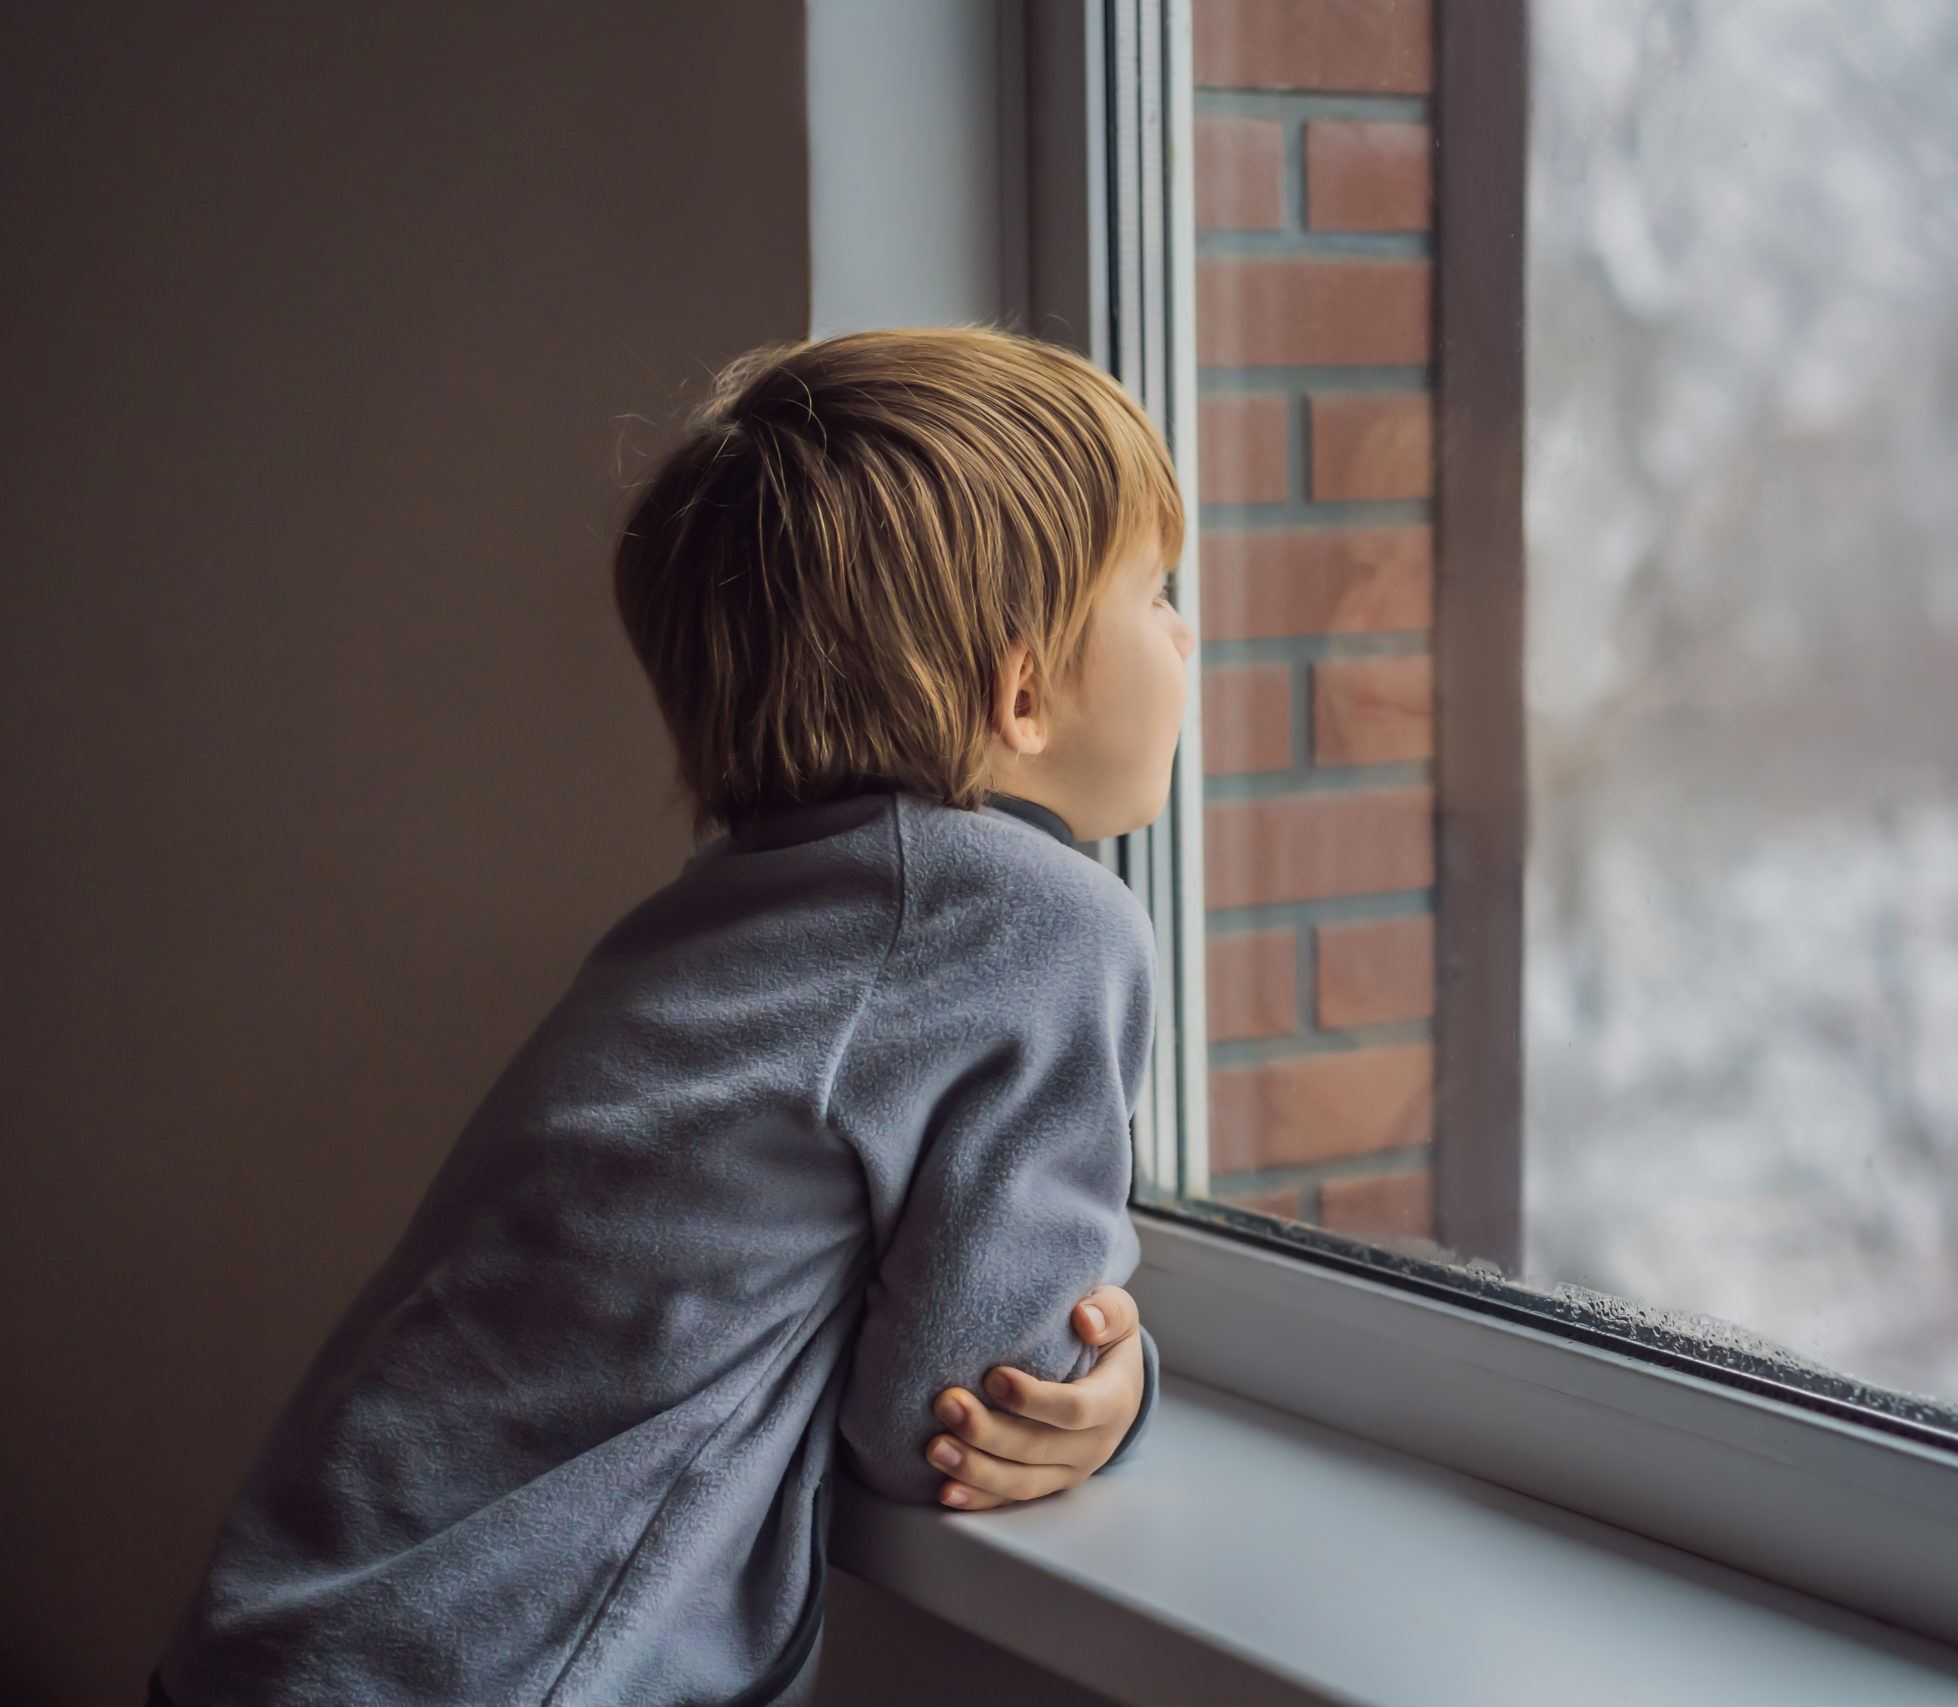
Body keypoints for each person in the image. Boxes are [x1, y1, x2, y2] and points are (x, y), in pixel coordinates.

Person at [148, 324, 1196, 1705]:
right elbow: (956, 1411)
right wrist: (1118, 1391)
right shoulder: (1033, 917)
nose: (1185, 633)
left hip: (294, 1640)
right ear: (1020, 692)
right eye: (1155, 592)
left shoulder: (727, 911)